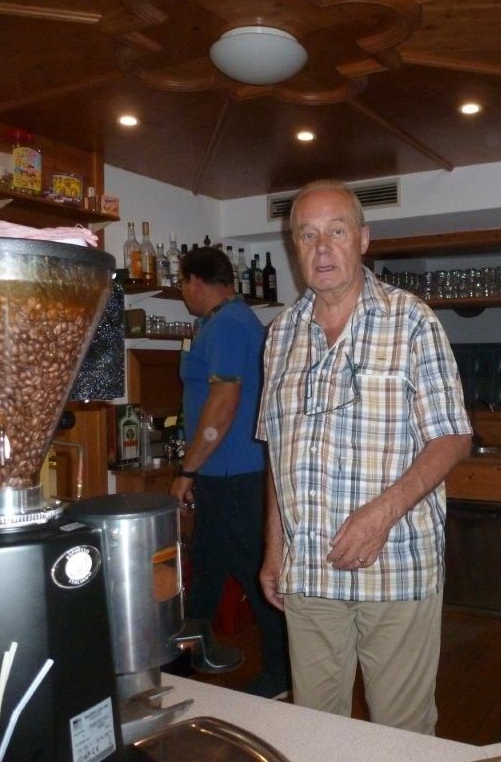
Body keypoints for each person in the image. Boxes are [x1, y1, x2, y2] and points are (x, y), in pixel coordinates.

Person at [256, 180, 472, 733]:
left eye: (337, 231)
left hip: (395, 566)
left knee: (401, 735)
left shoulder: (413, 321)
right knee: (317, 730)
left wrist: (381, 514)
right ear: (294, 246)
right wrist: (274, 549)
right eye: (308, 235)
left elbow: (452, 436)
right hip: (309, 570)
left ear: (363, 239)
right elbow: (279, 454)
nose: (322, 248)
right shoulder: (280, 335)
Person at [170, 244, 289, 699]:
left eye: (183, 283)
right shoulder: (218, 323)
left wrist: (186, 470)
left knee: (255, 574)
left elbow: (224, 402)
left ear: (196, 281)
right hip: (223, 472)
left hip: (236, 474)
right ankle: (187, 659)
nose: (183, 292)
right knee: (208, 565)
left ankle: (281, 673)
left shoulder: (229, 325)